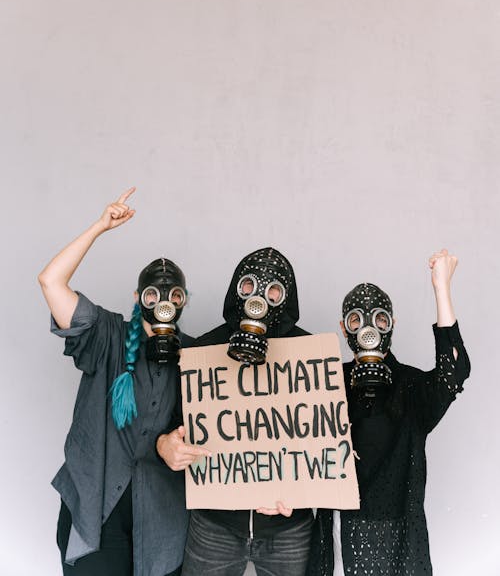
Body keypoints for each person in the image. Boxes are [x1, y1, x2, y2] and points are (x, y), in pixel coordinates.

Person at [38, 188, 194, 576]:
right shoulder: (106, 334)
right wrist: (99, 227)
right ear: (139, 296)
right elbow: (50, 281)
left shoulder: (195, 357)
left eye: (172, 294)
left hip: (161, 519)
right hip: (96, 507)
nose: (163, 301)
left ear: (184, 300)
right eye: (154, 292)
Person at [307, 249, 470, 576]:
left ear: (392, 323)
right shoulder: (327, 382)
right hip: (341, 533)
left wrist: (441, 288)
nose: (369, 329)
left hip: (399, 538)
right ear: (343, 327)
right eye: (356, 320)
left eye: (379, 318)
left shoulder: (413, 388)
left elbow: (454, 372)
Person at [157, 247, 314, 576]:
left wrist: (299, 490)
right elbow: (173, 425)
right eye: (249, 285)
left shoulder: (310, 356)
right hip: (214, 523)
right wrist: (165, 446)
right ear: (235, 288)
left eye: (273, 290)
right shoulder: (202, 349)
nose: (259, 297)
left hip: (288, 527)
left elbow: (325, 440)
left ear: (287, 297)